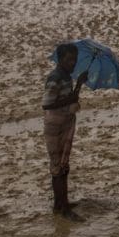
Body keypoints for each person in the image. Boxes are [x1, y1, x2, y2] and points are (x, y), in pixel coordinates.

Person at [44, 43, 89, 220]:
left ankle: (60, 203)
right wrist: (69, 99)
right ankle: (63, 209)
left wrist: (79, 84)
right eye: (69, 59)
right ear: (60, 59)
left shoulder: (67, 77)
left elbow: (71, 98)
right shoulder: (55, 78)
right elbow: (46, 104)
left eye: (74, 60)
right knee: (58, 168)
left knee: (63, 166)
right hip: (55, 126)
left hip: (65, 123)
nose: (73, 63)